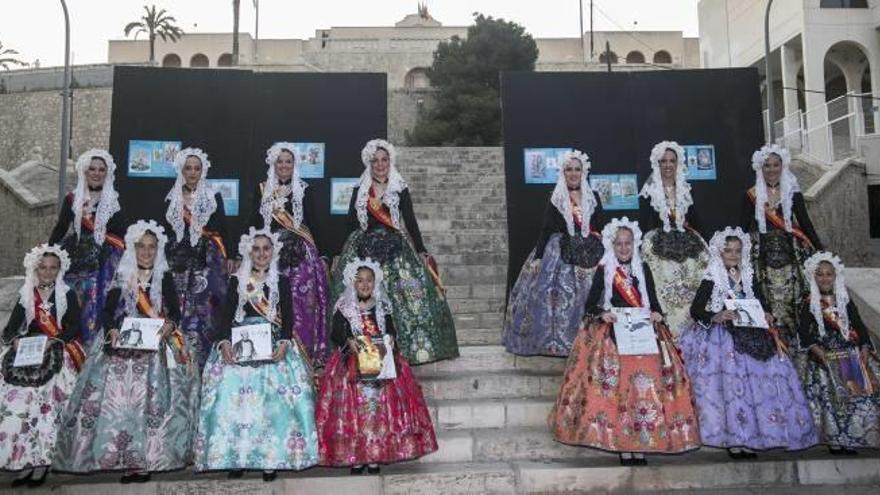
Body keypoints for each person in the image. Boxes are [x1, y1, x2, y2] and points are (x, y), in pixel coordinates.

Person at [54, 220, 198, 484]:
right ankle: (115, 455)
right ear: (133, 248)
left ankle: (148, 459)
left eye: (151, 247)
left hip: (156, 343)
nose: (146, 252)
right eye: (141, 247)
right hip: (125, 340)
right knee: (118, 401)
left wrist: (170, 326)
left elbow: (176, 312)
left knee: (152, 399)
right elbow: (107, 312)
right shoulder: (123, 274)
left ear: (158, 250)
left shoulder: (163, 276)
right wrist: (111, 329)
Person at [548, 218, 699, 466]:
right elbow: (590, 307)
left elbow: (655, 302)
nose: (623, 248)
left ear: (634, 244)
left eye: (628, 243)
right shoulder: (604, 268)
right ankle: (622, 445)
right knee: (620, 390)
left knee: (645, 389)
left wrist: (657, 314)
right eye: (619, 244)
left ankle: (640, 444)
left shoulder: (644, 268)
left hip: (642, 334)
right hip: (614, 335)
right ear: (612, 244)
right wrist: (602, 313)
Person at [678, 227, 817, 459]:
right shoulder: (712, 277)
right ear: (719, 253)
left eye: (737, 251)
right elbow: (696, 309)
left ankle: (756, 437)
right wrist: (717, 315)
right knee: (733, 387)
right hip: (724, 339)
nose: (733, 255)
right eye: (728, 251)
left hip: (753, 333)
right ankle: (734, 440)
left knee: (764, 384)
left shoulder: (749, 276)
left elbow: (761, 302)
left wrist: (768, 314)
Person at [195, 227, 318, 481]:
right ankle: (236, 457)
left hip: (273, 343)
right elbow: (226, 315)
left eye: (266, 248)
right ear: (249, 251)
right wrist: (224, 343)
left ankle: (269, 458)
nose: (261, 253)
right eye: (257, 248)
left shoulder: (281, 280)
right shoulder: (237, 280)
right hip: (240, 343)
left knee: (270, 400)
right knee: (231, 397)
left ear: (273, 251)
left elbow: (288, 319)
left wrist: (284, 342)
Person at [331, 139, 458, 365]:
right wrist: (340, 253)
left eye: (384, 160)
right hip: (364, 248)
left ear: (390, 161)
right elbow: (350, 223)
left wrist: (420, 249)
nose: (380, 164)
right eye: (375, 161)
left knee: (410, 294)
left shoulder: (399, 187)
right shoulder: (361, 189)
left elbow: (409, 220)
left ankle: (404, 348)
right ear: (369, 163)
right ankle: (364, 345)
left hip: (395, 248)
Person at [316, 258, 437, 474]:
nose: (364, 285)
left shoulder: (382, 306)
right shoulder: (344, 307)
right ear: (352, 283)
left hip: (381, 365)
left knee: (377, 412)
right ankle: (356, 457)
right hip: (352, 366)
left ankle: (374, 456)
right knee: (356, 412)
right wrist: (348, 340)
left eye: (369, 281)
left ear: (375, 283)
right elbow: (336, 331)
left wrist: (390, 338)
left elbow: (390, 329)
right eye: (359, 281)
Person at [503, 150, 605, 356]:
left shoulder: (593, 197)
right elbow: (546, 229)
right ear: (563, 172)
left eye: (577, 169)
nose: (574, 173)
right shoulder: (557, 197)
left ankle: (593, 341)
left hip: (589, 252)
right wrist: (539, 257)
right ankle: (559, 343)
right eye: (569, 169)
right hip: (561, 252)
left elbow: (600, 227)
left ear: (583, 172)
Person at [0, 245, 83, 487]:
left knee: (46, 405)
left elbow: (75, 327)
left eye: (52, 268)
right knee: (19, 403)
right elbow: (10, 329)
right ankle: (22, 459)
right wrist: (14, 340)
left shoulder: (67, 293)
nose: (47, 272)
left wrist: (55, 341)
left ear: (59, 270)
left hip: (55, 351)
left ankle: (43, 461)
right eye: (43, 267)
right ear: (36, 268)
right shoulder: (27, 294)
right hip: (27, 353)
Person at [249, 142, 329, 364]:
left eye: (288, 162)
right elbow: (253, 222)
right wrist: (242, 254)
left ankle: (302, 354)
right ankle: (272, 351)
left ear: (294, 164)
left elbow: (313, 222)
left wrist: (323, 255)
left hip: (301, 256)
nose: (284, 165)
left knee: (303, 303)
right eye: (280, 162)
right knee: (272, 301)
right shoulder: (262, 189)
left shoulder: (304, 189)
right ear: (273, 164)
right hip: (269, 255)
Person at [797, 251, 880, 453]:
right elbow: (803, 334)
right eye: (820, 274)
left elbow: (859, 326)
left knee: (855, 399)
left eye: (829, 274)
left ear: (835, 276)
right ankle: (834, 440)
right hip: (825, 357)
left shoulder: (845, 301)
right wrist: (819, 353)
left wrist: (865, 347)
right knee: (833, 401)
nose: (825, 278)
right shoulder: (809, 302)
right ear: (813, 277)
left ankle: (851, 438)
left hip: (850, 357)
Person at [741, 144, 822, 345]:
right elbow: (741, 226)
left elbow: (805, 223)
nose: (771, 169)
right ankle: (773, 343)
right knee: (767, 297)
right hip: (763, 256)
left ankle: (796, 344)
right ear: (760, 168)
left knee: (793, 297)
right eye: (767, 165)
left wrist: (820, 251)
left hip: (790, 255)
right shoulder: (752, 194)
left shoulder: (793, 193)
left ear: (782, 167)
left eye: (775, 165)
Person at [164, 147, 233, 367]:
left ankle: (206, 360)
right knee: (176, 306)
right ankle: (179, 359)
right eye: (188, 168)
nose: (192, 172)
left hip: (207, 262)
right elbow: (165, 231)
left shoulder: (214, 197)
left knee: (207, 311)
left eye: (196, 168)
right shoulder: (171, 198)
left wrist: (229, 255)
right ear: (181, 170)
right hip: (178, 261)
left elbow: (223, 229)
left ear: (203, 171)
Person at [48, 149, 126, 344]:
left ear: (107, 174)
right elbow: (60, 229)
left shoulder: (113, 200)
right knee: (73, 306)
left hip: (103, 262)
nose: (96, 173)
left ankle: (93, 350)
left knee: (96, 307)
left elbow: (120, 234)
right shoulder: (71, 199)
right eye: (92, 169)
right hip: (74, 259)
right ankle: (71, 349)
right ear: (84, 171)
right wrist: (47, 253)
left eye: (101, 169)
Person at [638, 141, 708, 337]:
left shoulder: (686, 188)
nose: (668, 165)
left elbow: (696, 219)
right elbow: (644, 223)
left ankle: (694, 332)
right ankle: (669, 332)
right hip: (659, 243)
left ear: (678, 163)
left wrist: (710, 244)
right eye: (663, 161)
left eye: (672, 161)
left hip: (687, 241)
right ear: (657, 164)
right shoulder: (648, 190)